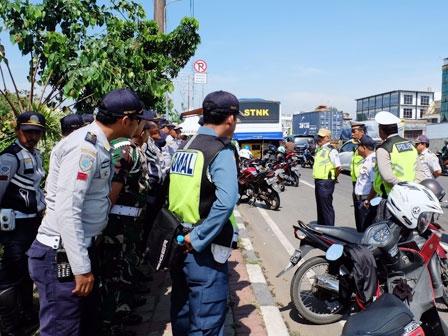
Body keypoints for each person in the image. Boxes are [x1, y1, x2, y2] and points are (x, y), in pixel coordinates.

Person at [27, 88, 144, 336]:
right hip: (60, 254)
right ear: (126, 121)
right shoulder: (85, 148)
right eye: (138, 120)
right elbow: (68, 209)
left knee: (84, 325)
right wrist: (81, 268)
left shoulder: (97, 143)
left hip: (74, 248)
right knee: (63, 329)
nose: (140, 126)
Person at [169, 90, 240, 336]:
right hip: (203, 249)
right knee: (206, 322)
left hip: (178, 242)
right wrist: (199, 237)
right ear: (230, 118)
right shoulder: (221, 151)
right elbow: (226, 201)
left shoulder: (185, 146)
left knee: (182, 313)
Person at [99, 111, 148, 335]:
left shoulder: (125, 147)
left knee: (124, 267)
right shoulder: (122, 149)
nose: (144, 129)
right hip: (118, 221)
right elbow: (114, 189)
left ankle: (121, 311)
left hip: (126, 219)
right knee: (116, 272)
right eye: (142, 124)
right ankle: (112, 321)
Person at [0, 111, 46, 335]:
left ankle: (27, 313)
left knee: (28, 271)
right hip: (14, 225)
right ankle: (9, 325)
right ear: (18, 130)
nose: (32, 136)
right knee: (10, 275)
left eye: (37, 132)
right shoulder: (10, 157)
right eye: (28, 132)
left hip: (32, 223)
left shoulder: (35, 155)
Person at [373, 111, 417, 198]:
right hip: (412, 192)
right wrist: (411, 187)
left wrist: (402, 187)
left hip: (392, 195)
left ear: (381, 130)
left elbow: (388, 177)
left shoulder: (383, 149)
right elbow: (419, 170)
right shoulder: (410, 145)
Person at [312, 128, 341, 226]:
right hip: (319, 181)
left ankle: (330, 230)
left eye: (321, 137)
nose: (319, 138)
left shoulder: (331, 150)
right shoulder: (320, 149)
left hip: (326, 182)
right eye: (318, 136)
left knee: (326, 208)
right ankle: (322, 228)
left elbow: (338, 167)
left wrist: (334, 178)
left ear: (328, 138)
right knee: (320, 207)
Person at [354, 135, 377, 232]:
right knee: (361, 229)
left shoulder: (372, 162)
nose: (356, 148)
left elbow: (374, 185)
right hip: (361, 201)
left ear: (364, 148)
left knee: (365, 231)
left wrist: (368, 200)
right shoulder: (366, 160)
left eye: (358, 146)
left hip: (366, 202)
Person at [350, 122, 366, 227]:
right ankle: (359, 231)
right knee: (358, 211)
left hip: (364, 183)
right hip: (356, 182)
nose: (351, 134)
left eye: (354, 131)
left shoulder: (366, 144)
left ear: (362, 131)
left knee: (363, 211)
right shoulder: (357, 145)